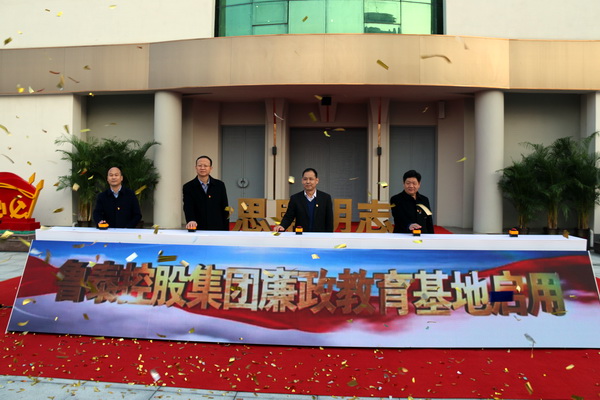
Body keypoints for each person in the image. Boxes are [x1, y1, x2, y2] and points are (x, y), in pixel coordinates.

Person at [274, 168, 333, 232]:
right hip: (301, 235)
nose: (308, 182)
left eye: (311, 179)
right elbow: (289, 217)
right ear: (302, 181)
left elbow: (329, 221)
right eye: (305, 179)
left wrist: (329, 236)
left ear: (317, 180)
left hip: (319, 236)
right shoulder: (295, 198)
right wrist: (282, 226)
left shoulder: (325, 198)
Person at [183, 155, 230, 231]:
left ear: (210, 168)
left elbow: (225, 207)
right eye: (200, 165)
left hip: (217, 227)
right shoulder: (188, 187)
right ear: (196, 168)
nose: (202, 168)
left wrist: (226, 229)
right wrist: (191, 220)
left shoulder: (219, 185)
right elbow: (188, 207)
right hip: (198, 227)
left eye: (205, 166)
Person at [390, 169, 434, 234]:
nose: (411, 186)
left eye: (414, 183)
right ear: (403, 184)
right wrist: (409, 225)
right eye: (408, 183)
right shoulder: (395, 199)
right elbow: (397, 218)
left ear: (419, 184)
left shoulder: (424, 200)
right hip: (403, 235)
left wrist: (431, 236)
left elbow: (429, 221)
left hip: (423, 235)